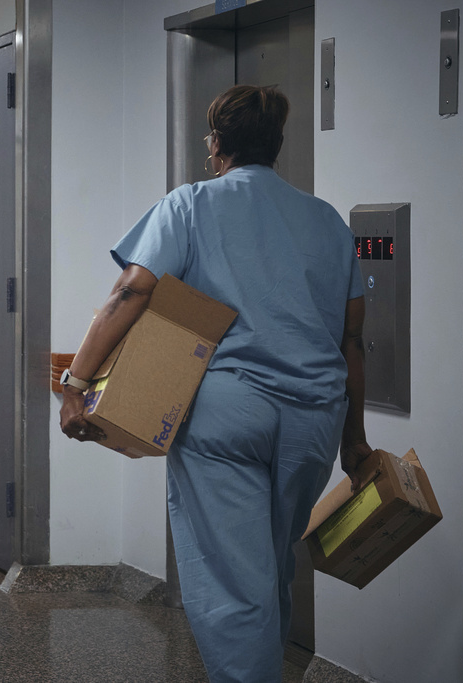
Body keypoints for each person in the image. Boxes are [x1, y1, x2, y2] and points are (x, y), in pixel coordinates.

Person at [59, 85, 372, 682]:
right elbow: (351, 340)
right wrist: (353, 441)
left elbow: (132, 290)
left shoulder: (191, 204)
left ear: (217, 146)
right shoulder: (327, 221)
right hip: (314, 418)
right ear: (276, 146)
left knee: (235, 585)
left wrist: (75, 381)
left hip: (228, 414)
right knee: (273, 568)